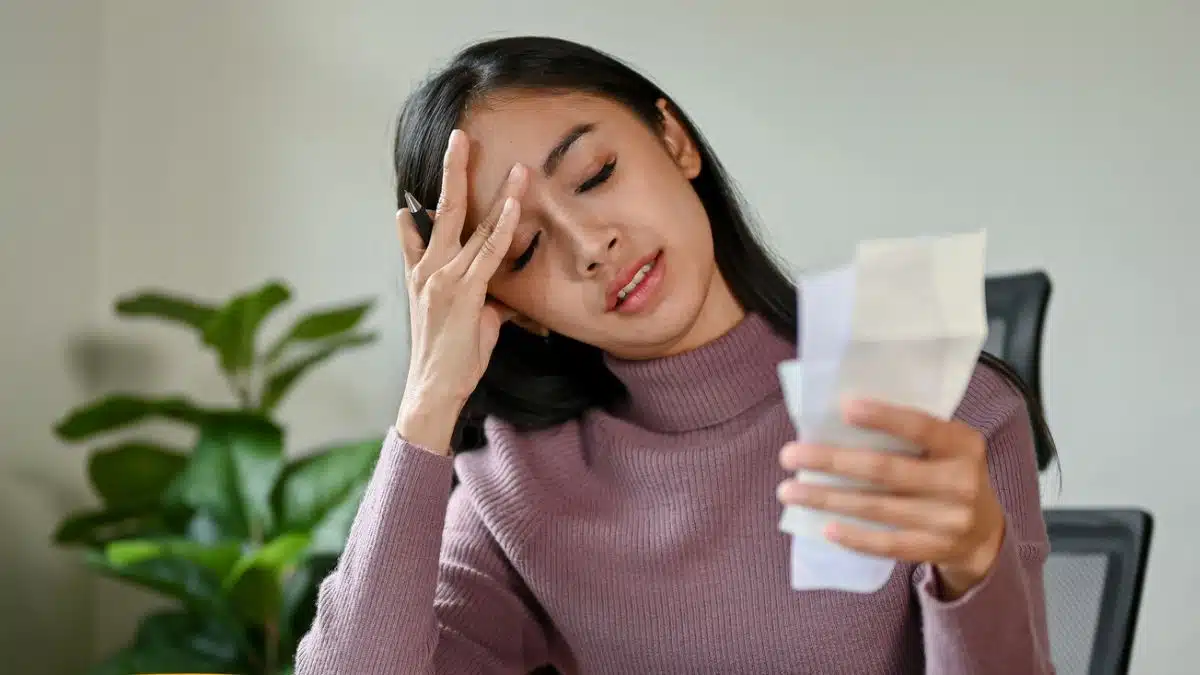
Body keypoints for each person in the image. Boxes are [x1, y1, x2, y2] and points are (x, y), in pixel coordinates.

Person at [296, 35, 1056, 674]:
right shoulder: (519, 486)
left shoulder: (931, 403)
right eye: (523, 250)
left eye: (596, 175)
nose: (592, 246)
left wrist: (975, 559)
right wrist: (428, 401)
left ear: (674, 139)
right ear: (506, 308)